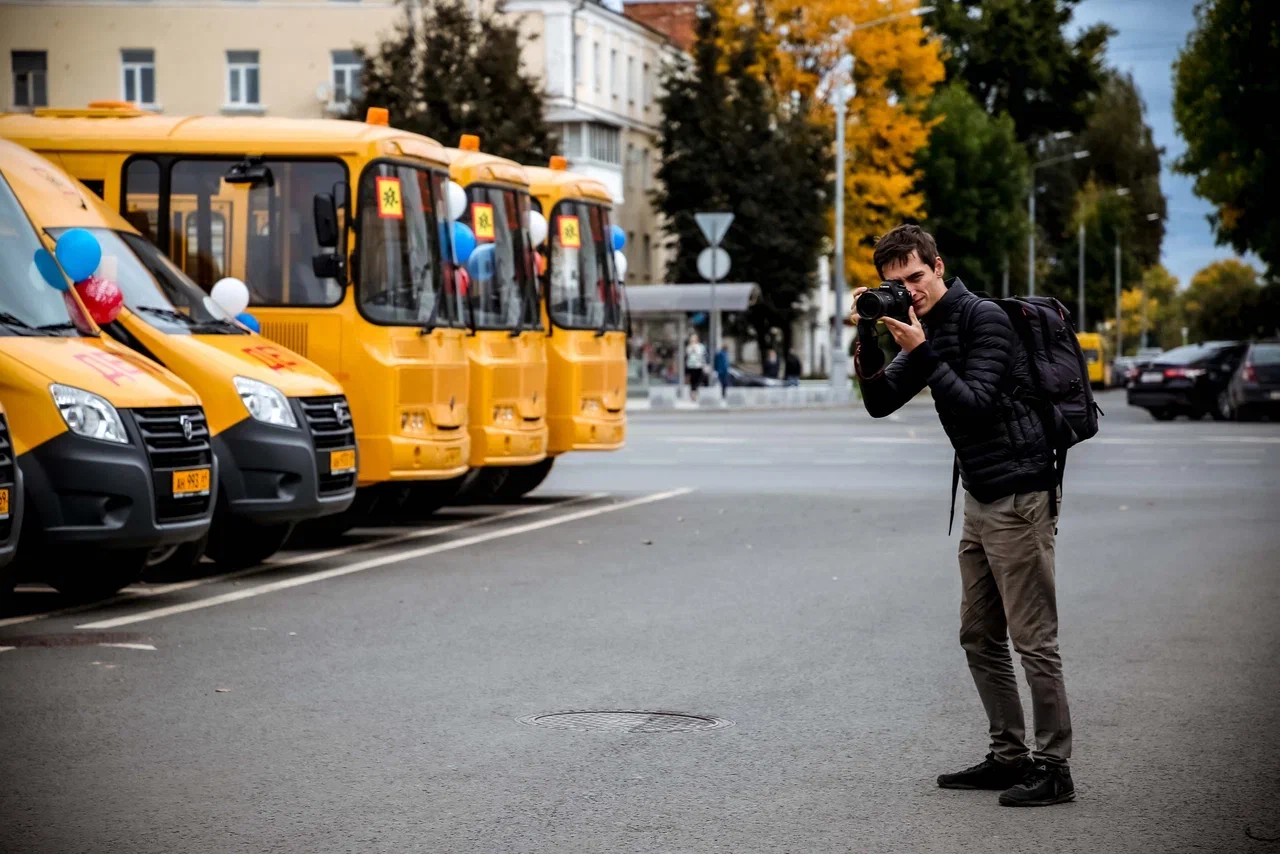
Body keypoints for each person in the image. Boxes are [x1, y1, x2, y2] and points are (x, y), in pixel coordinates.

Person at [850, 224, 1074, 808]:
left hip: (1021, 496)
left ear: (938, 266)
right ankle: (1009, 757)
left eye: (915, 277)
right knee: (978, 635)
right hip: (980, 497)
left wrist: (920, 351)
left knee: (1033, 641)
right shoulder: (920, 328)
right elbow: (878, 402)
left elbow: (974, 404)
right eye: (894, 284)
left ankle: (1054, 767)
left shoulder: (982, 320)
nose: (908, 291)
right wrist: (869, 337)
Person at [685, 332, 708, 401]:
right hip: (691, 366)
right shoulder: (689, 347)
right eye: (692, 338)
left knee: (699, 380)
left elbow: (703, 355)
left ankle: (695, 392)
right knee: (693, 381)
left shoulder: (700, 346)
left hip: (699, 366)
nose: (693, 340)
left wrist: (705, 364)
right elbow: (688, 355)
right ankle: (693, 394)